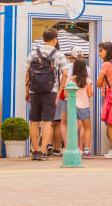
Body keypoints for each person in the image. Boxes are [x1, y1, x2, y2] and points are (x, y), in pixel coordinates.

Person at [25, 28, 70, 161]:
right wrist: (58, 94)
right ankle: (44, 152)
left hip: (34, 91)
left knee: (34, 122)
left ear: (43, 39)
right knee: (47, 122)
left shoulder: (33, 53)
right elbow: (65, 74)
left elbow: (27, 73)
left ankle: (35, 151)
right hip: (51, 92)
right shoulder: (59, 55)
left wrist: (27, 92)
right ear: (55, 39)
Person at [70, 58, 94, 158]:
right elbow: (90, 94)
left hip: (72, 106)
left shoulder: (70, 79)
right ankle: (86, 151)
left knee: (73, 128)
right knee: (87, 128)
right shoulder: (87, 80)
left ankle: (75, 149)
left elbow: (67, 92)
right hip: (84, 106)